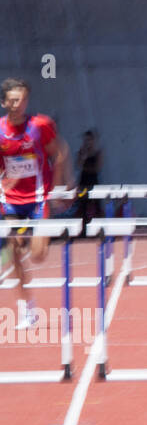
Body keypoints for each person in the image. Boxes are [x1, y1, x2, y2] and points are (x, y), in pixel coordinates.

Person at [0, 79, 70, 329]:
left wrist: (61, 185)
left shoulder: (40, 125)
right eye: (13, 100)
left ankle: (30, 240)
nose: (18, 104)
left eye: (22, 100)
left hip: (39, 198)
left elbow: (59, 152)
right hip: (10, 201)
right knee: (15, 249)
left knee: (38, 255)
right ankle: (26, 307)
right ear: (4, 102)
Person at [76, 130, 103, 225]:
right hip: (83, 181)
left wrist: (85, 167)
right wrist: (83, 157)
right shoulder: (82, 152)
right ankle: (83, 229)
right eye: (86, 140)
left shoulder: (97, 153)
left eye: (89, 140)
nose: (87, 142)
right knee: (82, 204)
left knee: (96, 204)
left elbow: (97, 168)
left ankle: (98, 227)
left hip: (93, 182)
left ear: (93, 141)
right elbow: (78, 165)